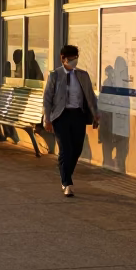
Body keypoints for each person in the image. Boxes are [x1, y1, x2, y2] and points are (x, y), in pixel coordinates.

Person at [42, 44, 101, 197]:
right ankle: (66, 182)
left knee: (76, 149)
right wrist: (47, 120)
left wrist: (95, 115)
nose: (73, 61)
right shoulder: (55, 75)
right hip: (61, 116)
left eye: (75, 58)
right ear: (63, 59)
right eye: (70, 59)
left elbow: (90, 97)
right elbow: (47, 99)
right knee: (65, 149)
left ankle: (67, 175)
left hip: (78, 115)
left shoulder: (83, 75)